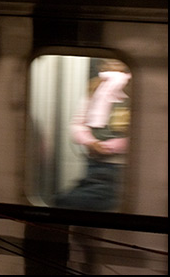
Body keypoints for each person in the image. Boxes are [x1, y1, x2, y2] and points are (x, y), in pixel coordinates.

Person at [55, 60, 130, 211]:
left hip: (120, 167)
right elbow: (77, 124)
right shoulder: (95, 88)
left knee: (66, 202)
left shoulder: (135, 89)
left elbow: (143, 133)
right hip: (94, 164)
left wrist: (109, 147)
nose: (112, 65)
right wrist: (90, 142)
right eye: (108, 62)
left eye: (117, 62)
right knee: (64, 202)